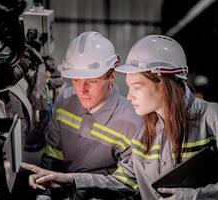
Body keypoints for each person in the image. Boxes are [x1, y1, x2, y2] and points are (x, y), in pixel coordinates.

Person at [24, 35, 218, 200]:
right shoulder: (147, 132)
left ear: (163, 85)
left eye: (136, 86)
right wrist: (68, 179)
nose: (130, 95)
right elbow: (125, 181)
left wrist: (194, 196)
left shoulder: (213, 119)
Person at [33, 31, 143, 200]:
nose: (81, 90)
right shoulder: (65, 101)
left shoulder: (130, 123)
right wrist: (45, 189)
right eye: (76, 80)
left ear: (112, 75)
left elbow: (127, 184)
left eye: (91, 81)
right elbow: (54, 154)